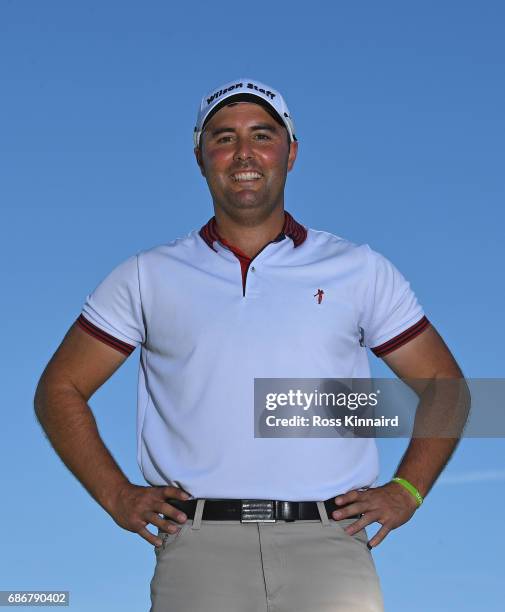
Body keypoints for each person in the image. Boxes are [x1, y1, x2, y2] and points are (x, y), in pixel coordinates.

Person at [35, 78, 464, 612]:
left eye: (262, 135)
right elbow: (60, 387)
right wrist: (115, 494)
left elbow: (447, 386)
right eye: (222, 137)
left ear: (291, 152)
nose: (243, 153)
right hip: (197, 550)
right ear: (199, 157)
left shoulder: (360, 270)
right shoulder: (147, 275)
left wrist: (408, 490)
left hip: (330, 548)